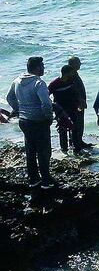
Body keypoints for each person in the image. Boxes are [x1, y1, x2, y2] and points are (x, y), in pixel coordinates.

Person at [6, 57, 55, 190]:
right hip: (38, 121)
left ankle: (33, 179)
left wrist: (19, 110)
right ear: (37, 67)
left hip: (24, 121)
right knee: (44, 151)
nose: (44, 68)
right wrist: (49, 117)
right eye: (42, 65)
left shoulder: (16, 81)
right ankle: (46, 180)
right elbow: (46, 103)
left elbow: (9, 98)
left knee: (30, 150)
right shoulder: (39, 83)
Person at [48, 65, 79, 153]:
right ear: (66, 73)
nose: (73, 74)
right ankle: (64, 148)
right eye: (72, 72)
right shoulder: (54, 83)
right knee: (62, 129)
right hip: (60, 110)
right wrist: (53, 107)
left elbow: (75, 92)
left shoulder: (71, 80)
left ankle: (75, 147)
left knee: (74, 127)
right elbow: (46, 96)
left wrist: (80, 101)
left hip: (72, 107)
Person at [68, 56, 90, 151]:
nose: (80, 64)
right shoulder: (70, 75)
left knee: (79, 123)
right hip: (76, 104)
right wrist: (80, 101)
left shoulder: (74, 74)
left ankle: (78, 141)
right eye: (78, 62)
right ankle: (75, 143)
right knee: (76, 123)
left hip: (79, 103)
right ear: (72, 64)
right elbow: (73, 91)